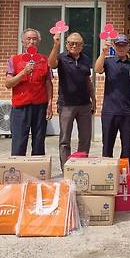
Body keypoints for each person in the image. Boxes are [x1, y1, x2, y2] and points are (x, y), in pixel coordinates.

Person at [49, 31, 95, 169]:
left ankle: (81, 165)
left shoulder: (86, 59)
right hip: (66, 105)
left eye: (78, 43)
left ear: (82, 46)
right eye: (71, 43)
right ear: (67, 45)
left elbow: (88, 80)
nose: (74, 45)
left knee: (85, 138)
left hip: (85, 105)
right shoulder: (61, 58)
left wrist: (94, 99)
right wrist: (55, 45)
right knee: (65, 139)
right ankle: (66, 168)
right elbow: (51, 64)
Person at [6, 29, 53, 157]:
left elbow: (48, 83)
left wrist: (49, 104)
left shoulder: (44, 60)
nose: (31, 41)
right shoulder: (14, 60)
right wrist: (23, 72)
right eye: (28, 39)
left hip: (40, 105)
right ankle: (17, 171)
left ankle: (37, 172)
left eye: (34, 39)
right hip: (20, 107)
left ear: (38, 41)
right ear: (23, 42)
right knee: (19, 142)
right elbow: (8, 84)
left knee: (39, 142)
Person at [95, 34, 130, 173]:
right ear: (114, 46)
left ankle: (127, 174)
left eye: (124, 45)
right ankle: (107, 172)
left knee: (127, 146)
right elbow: (97, 69)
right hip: (109, 110)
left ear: (128, 47)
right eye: (118, 45)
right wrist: (103, 52)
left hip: (128, 112)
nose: (121, 48)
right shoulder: (108, 61)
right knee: (107, 145)